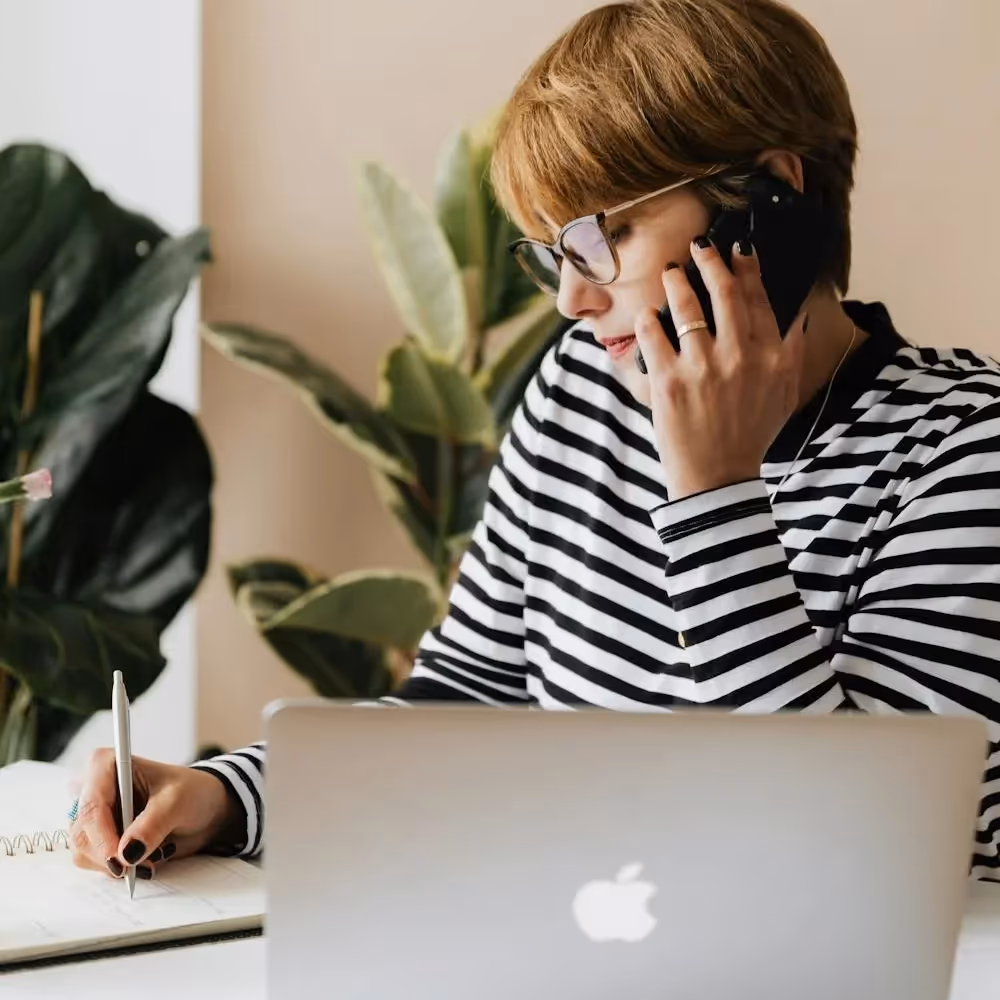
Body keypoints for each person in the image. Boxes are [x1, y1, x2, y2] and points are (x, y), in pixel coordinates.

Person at [71, 0, 1000, 882]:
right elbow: (469, 701)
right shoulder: (584, 390)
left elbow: (865, 860)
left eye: (609, 236)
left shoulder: (966, 452)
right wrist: (229, 796)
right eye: (556, 252)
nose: (573, 299)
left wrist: (715, 495)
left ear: (770, 200)